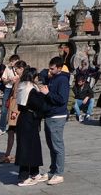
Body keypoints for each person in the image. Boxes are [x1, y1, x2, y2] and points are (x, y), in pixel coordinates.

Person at [37, 57, 70, 185]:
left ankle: (59, 173)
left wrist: (47, 93)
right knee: (51, 145)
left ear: (60, 68)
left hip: (57, 115)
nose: (49, 71)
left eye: (52, 68)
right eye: (50, 68)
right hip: (50, 114)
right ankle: (53, 170)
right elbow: (44, 73)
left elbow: (62, 99)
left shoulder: (62, 80)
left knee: (57, 145)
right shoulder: (53, 78)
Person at [14, 67, 47, 186]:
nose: (38, 78)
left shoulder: (23, 85)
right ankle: (23, 177)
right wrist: (43, 94)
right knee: (26, 148)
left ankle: (35, 172)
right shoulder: (31, 89)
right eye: (36, 76)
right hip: (28, 119)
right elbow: (37, 104)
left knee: (33, 146)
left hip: (26, 118)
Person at [0, 60, 26, 165]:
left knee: (13, 131)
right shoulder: (18, 79)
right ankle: (8, 154)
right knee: (11, 131)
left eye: (16, 69)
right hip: (14, 106)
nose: (15, 71)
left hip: (17, 108)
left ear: (21, 69)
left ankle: (13, 154)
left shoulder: (23, 80)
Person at [0, 54, 20, 136]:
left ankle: (15, 126)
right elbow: (4, 80)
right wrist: (10, 79)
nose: (12, 63)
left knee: (16, 108)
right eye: (11, 61)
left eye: (13, 61)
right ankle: (2, 127)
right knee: (4, 108)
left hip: (18, 89)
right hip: (8, 89)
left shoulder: (21, 67)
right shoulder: (7, 68)